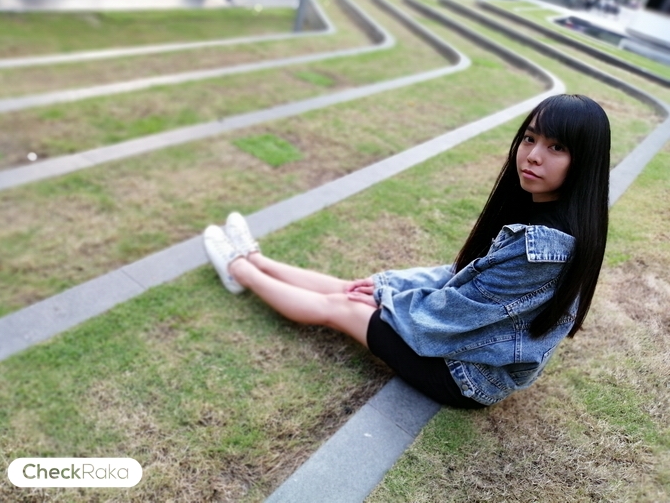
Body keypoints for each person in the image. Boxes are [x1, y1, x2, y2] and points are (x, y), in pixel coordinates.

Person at [203, 94, 611, 409]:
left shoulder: (544, 248)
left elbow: (452, 316)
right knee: (354, 288)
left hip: (468, 376)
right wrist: (386, 285)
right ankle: (256, 258)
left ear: (584, 161)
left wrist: (388, 300)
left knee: (342, 306)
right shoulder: (546, 212)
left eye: (556, 147)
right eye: (530, 138)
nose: (533, 155)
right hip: (465, 346)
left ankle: (238, 269)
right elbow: (461, 274)